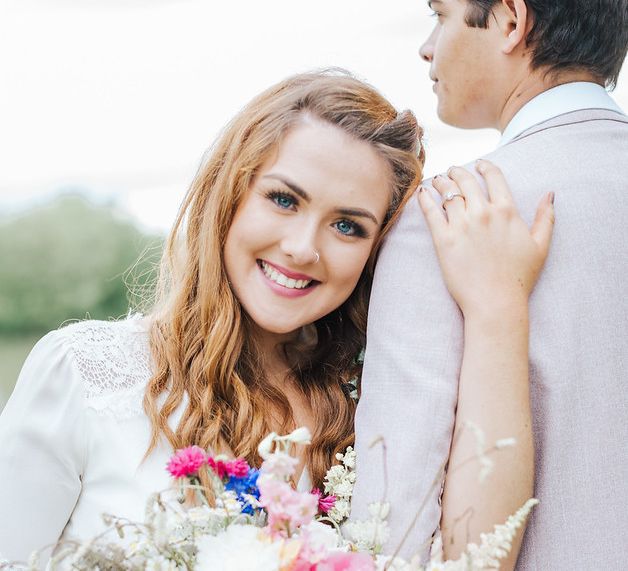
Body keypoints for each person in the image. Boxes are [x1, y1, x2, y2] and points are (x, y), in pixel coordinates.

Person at [0, 70, 553, 568]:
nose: (302, 248)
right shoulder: (83, 372)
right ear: (230, 190)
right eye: (285, 200)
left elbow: (476, 557)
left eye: (348, 227)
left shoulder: (378, 406)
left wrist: (496, 306)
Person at [351, 0, 628, 568]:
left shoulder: (451, 220)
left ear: (509, 20)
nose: (427, 47)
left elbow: (393, 533)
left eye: (440, 14)